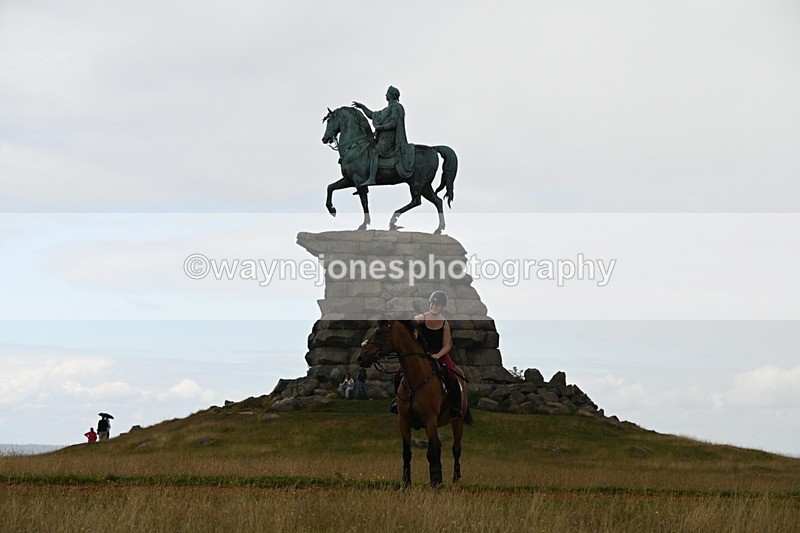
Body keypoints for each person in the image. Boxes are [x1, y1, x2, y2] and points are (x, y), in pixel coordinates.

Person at [390, 290, 462, 417]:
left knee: (452, 376)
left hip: (439, 354)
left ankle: (455, 406)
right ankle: (398, 401)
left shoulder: (444, 324)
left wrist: (438, 355)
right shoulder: (422, 318)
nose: (434, 307)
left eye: (437, 305)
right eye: (432, 304)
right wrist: (414, 330)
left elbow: (447, 345)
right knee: (398, 373)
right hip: (422, 353)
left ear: (442, 307)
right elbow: (411, 323)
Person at [352, 85, 415, 186]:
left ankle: (372, 178)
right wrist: (362, 107)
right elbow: (372, 115)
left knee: (374, 152)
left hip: (390, 139)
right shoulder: (386, 109)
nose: (385, 94)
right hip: (382, 138)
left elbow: (393, 124)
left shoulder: (396, 107)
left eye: (387, 93)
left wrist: (381, 128)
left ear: (391, 95)